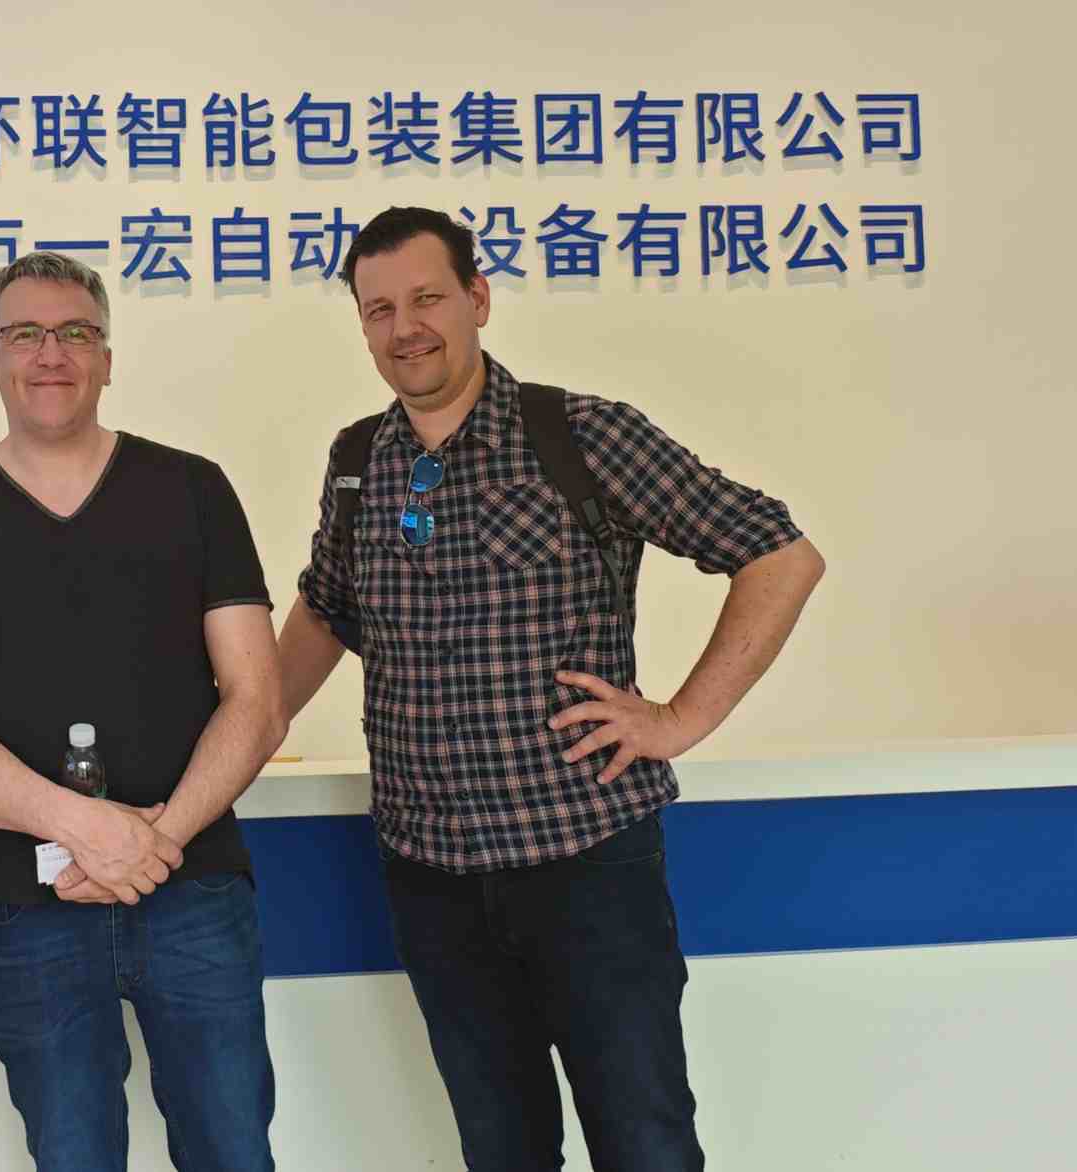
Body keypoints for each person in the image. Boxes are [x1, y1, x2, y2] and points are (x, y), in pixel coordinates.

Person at [278, 206, 827, 1172]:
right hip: (429, 870)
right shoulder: (358, 461)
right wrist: (240, 733)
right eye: (378, 309)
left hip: (584, 863)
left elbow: (779, 554)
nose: (404, 327)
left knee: (643, 1141)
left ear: (478, 299)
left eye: (426, 299)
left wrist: (682, 717)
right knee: (501, 1150)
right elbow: (325, 612)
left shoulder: (581, 434)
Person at [0, 252, 287, 1172]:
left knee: (232, 1151)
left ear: (107, 358)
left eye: (75, 332)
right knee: (72, 1157)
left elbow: (256, 701)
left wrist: (155, 843)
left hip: (194, 890)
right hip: (30, 908)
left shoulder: (193, 490)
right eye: (23, 334)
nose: (50, 354)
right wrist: (89, 831)